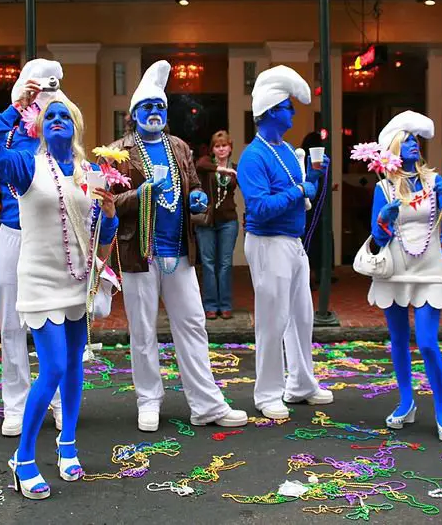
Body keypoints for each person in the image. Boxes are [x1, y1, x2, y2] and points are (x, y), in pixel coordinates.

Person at [0, 81, 118, 499]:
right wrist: (13, 107)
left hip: (75, 282)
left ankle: (68, 443)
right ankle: (22, 460)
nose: (57, 120)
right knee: (53, 367)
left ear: (75, 128)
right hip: (39, 282)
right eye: (49, 115)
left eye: (64, 116)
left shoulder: (89, 173)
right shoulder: (25, 165)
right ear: (38, 126)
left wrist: (109, 214)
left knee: (74, 364)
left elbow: (99, 234)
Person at [108, 60, 247, 432]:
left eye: (159, 108)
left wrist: (198, 199)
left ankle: (206, 404)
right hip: (139, 253)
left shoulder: (180, 147)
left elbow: (194, 187)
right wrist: (139, 195)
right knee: (142, 329)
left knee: (193, 324)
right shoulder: (118, 152)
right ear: (133, 115)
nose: (153, 113)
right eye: (146, 108)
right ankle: (148, 401)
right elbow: (106, 202)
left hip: (179, 253)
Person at [0, 59, 63, 437]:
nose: (41, 102)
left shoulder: (61, 133)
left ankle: (56, 401)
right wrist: (11, 113)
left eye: (48, 95)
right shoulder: (7, 135)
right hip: (12, 234)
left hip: (54, 237)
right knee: (11, 326)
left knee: (56, 323)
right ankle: (17, 405)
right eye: (34, 95)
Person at [237, 65, 334, 420]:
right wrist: (299, 190)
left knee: (302, 317)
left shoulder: (284, 149)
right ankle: (267, 393)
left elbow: (298, 192)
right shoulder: (253, 155)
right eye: (289, 107)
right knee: (272, 319)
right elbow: (259, 207)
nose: (294, 112)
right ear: (273, 110)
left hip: (291, 242)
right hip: (267, 242)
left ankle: (301, 384)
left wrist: (312, 178)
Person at [368, 111, 442, 442]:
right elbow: (378, 238)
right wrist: (384, 219)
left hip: (429, 268)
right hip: (395, 270)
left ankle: (441, 407)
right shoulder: (383, 188)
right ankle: (407, 400)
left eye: (415, 139)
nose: (414, 144)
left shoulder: (433, 181)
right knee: (398, 340)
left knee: (426, 342)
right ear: (394, 147)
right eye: (407, 139)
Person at [195, 130, 240, 320]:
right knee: (208, 264)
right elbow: (199, 164)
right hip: (207, 221)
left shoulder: (236, 167)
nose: (221, 149)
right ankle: (211, 306)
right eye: (217, 146)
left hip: (228, 221)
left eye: (224, 145)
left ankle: (225, 304)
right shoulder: (207, 165)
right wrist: (221, 169)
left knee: (225, 264)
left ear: (230, 148)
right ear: (212, 149)